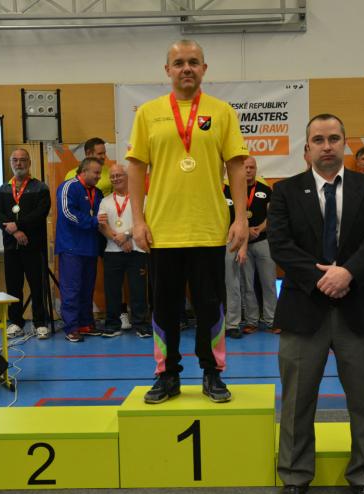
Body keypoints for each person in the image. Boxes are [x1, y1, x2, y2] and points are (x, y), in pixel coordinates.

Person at [268, 113, 364, 494]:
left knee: (363, 399)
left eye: (334, 138)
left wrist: (348, 273)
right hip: (304, 308)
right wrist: (322, 278)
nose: (327, 146)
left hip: (358, 306)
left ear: (345, 144)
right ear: (306, 148)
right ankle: (294, 474)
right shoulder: (285, 191)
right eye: (319, 139)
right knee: (297, 401)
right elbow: (280, 245)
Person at [126, 39, 249, 404]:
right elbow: (136, 169)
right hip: (162, 232)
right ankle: (167, 375)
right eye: (179, 62)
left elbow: (236, 166)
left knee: (211, 307)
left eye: (193, 62)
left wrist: (241, 218)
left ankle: (212, 372)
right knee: (164, 309)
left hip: (209, 229)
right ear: (167, 70)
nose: (186, 68)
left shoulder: (222, 112)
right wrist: (137, 220)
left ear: (204, 69)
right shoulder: (148, 113)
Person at [0, 149, 51, 339]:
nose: (19, 163)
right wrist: (15, 232)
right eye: (15, 160)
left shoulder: (40, 188)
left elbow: (40, 213)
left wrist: (18, 225)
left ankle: (40, 323)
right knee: (13, 286)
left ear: (29, 162)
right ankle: (16, 322)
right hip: (11, 247)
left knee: (37, 286)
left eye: (23, 160)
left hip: (34, 247)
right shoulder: (3, 189)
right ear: (11, 163)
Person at [97, 164, 151, 338]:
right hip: (112, 251)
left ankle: (141, 325)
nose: (115, 179)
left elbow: (146, 222)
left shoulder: (142, 199)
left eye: (119, 175)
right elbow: (102, 225)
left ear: (128, 176)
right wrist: (118, 240)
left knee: (138, 290)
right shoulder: (105, 201)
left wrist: (127, 235)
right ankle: (112, 324)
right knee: (112, 290)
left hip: (137, 250)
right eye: (112, 176)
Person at [54, 157, 104, 342]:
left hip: (90, 247)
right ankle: (71, 327)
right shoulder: (68, 186)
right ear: (84, 171)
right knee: (71, 289)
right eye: (96, 173)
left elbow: (102, 216)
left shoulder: (97, 192)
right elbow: (67, 213)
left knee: (87, 288)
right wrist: (92, 221)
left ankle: (85, 323)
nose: (99, 176)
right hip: (71, 247)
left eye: (100, 173)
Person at [237, 156, 279, 335]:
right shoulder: (234, 191)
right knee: (247, 284)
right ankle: (252, 321)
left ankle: (272, 320)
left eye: (251, 167)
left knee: (269, 282)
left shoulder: (265, 190)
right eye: (245, 167)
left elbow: (273, 215)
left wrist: (260, 229)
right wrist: (246, 231)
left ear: (256, 169)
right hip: (242, 244)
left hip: (263, 241)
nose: (248, 170)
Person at [222, 181, 248, 340]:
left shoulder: (232, 192)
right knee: (208, 286)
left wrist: (243, 247)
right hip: (207, 243)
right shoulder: (204, 192)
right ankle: (212, 323)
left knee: (232, 285)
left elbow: (243, 221)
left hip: (229, 243)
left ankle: (232, 324)